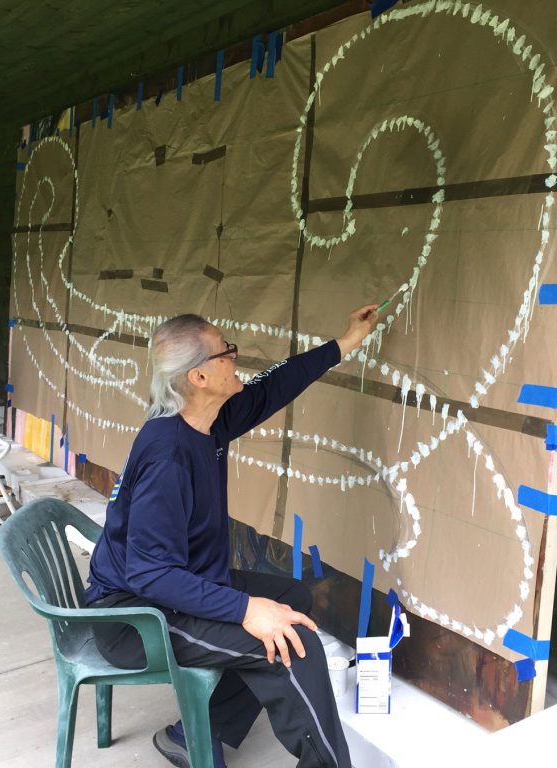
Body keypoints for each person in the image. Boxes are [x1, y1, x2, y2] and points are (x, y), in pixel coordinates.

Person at [85, 304, 379, 768]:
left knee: (291, 598)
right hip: (135, 617)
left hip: (175, 589)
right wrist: (245, 610)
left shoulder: (207, 423)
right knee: (290, 644)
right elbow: (149, 573)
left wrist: (344, 344)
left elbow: (271, 388)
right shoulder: (168, 456)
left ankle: (198, 733)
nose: (235, 358)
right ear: (198, 377)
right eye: (226, 352)